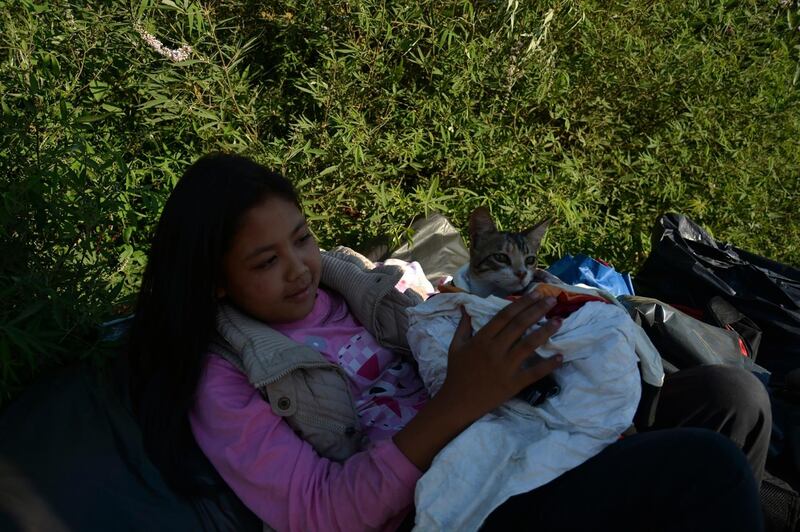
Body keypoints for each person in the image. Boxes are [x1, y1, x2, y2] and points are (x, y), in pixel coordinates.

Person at [128, 153, 767, 531]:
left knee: (731, 394)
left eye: (301, 238)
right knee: (704, 470)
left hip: (508, 431)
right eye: (265, 261)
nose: (299, 266)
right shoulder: (224, 378)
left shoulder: (353, 285)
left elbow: (449, 332)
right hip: (451, 505)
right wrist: (464, 400)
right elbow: (320, 514)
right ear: (214, 283)